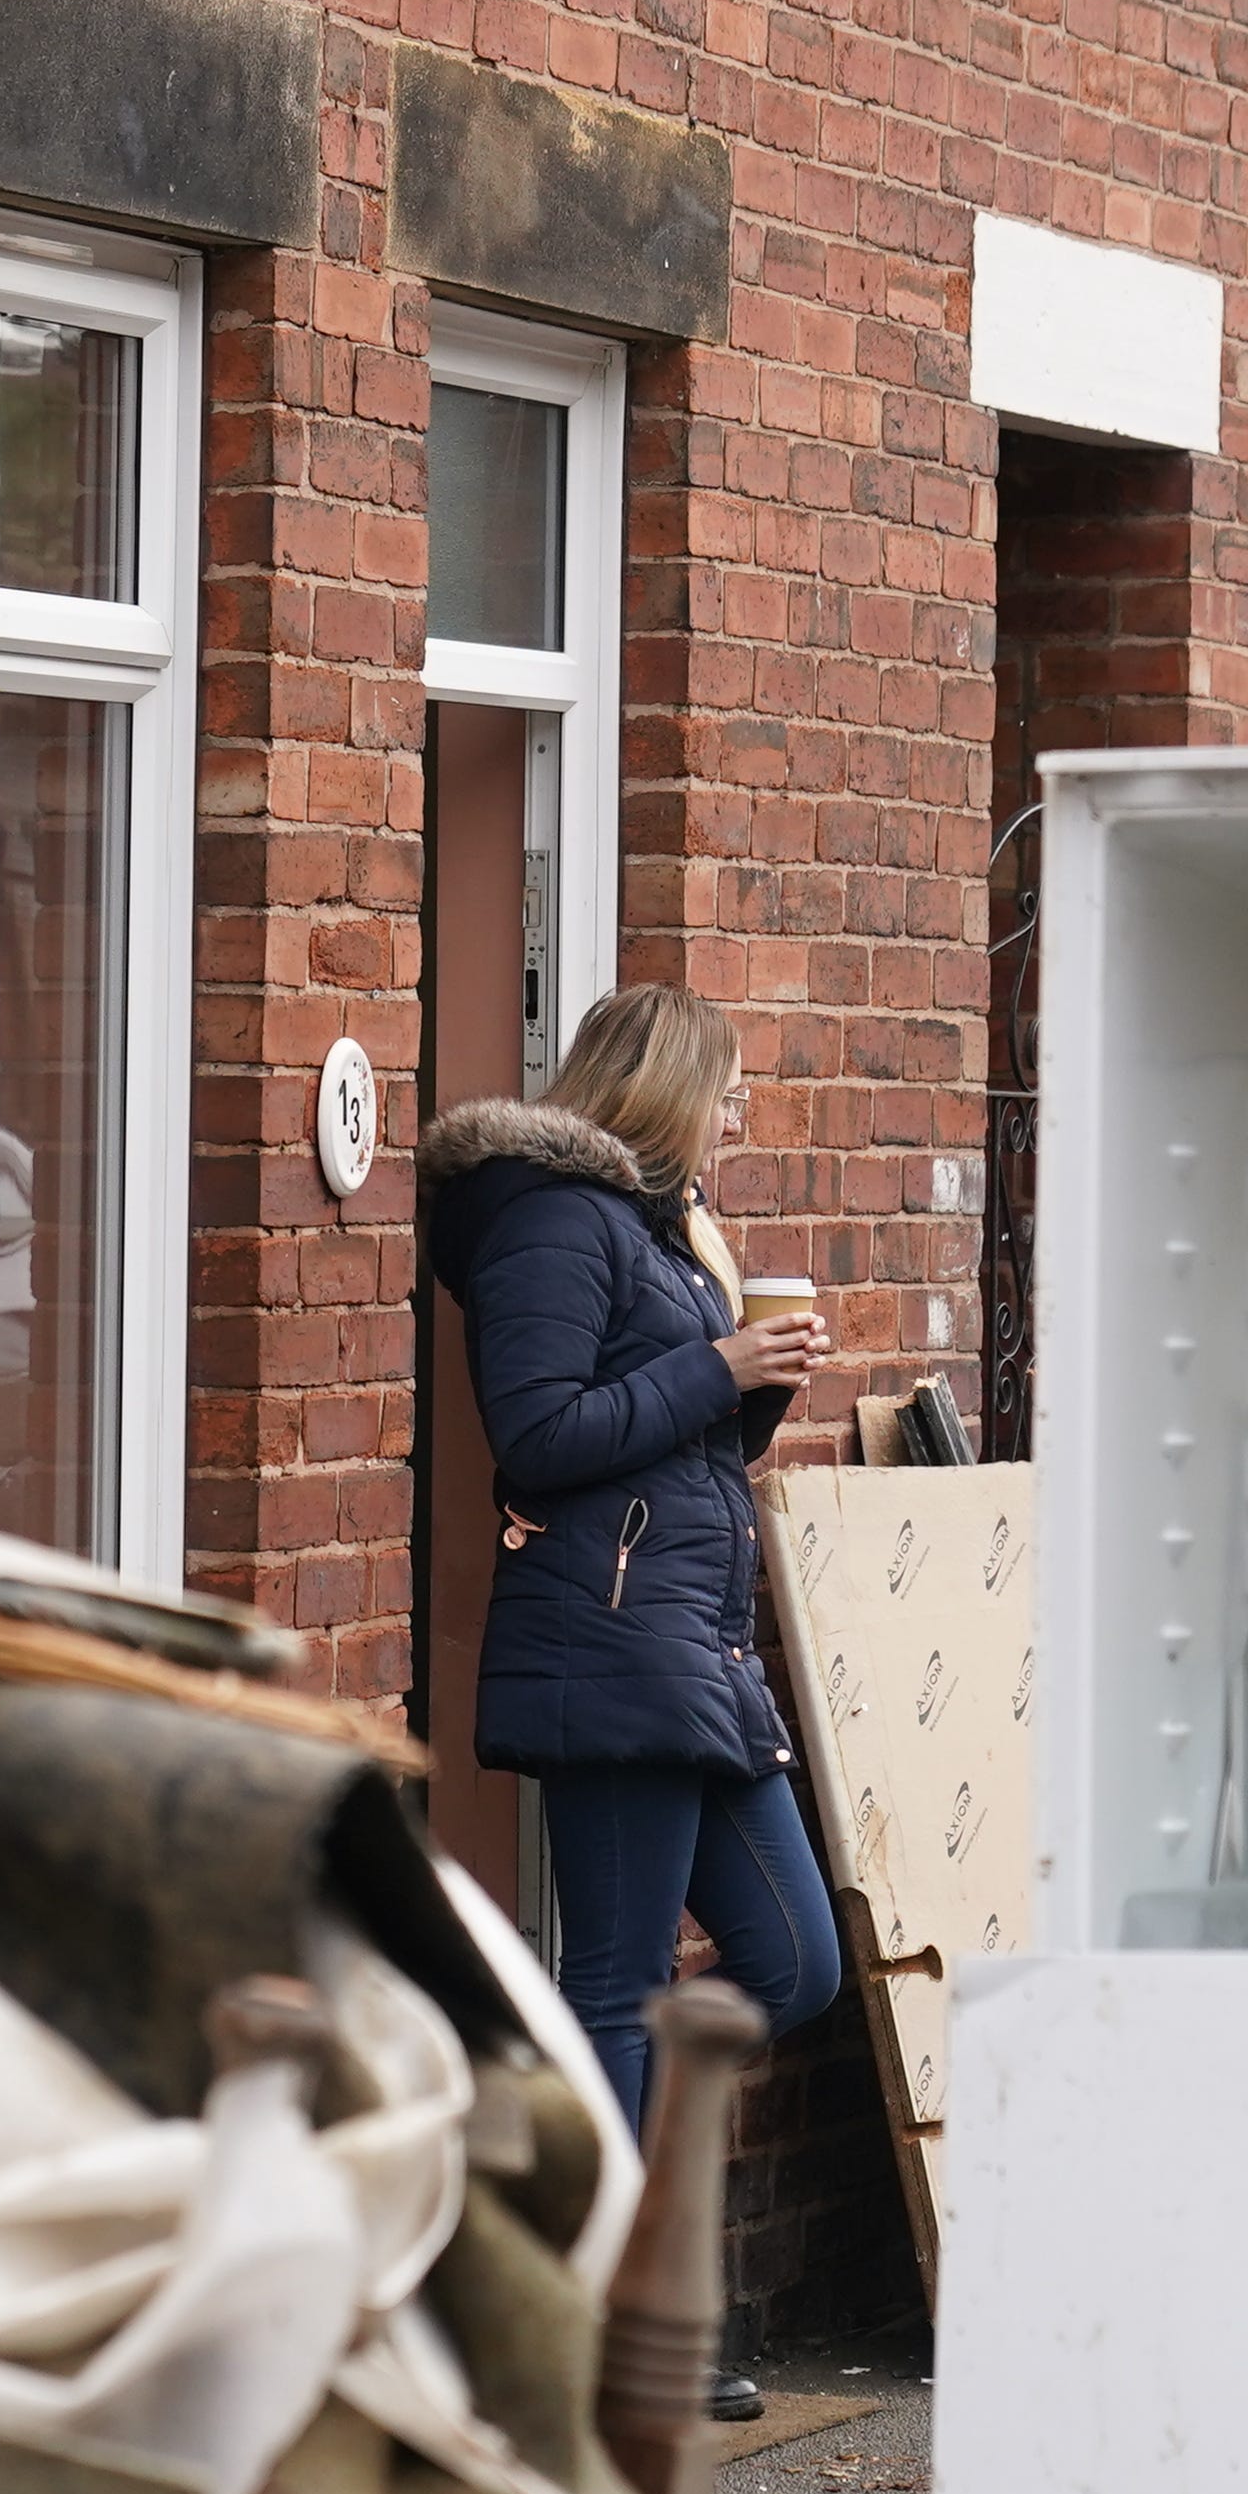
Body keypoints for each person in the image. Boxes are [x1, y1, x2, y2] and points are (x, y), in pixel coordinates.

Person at [422, 987, 846, 2394]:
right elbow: (539, 1438)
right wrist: (717, 1360)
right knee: (612, 1982)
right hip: (613, 1649)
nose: (737, 1117)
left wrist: (754, 1381)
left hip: (689, 1645)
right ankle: (610, 2313)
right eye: (724, 1092)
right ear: (662, 1090)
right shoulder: (552, 1216)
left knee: (792, 1961)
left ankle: (585, 2203)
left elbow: (678, 1442)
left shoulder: (664, 1229)